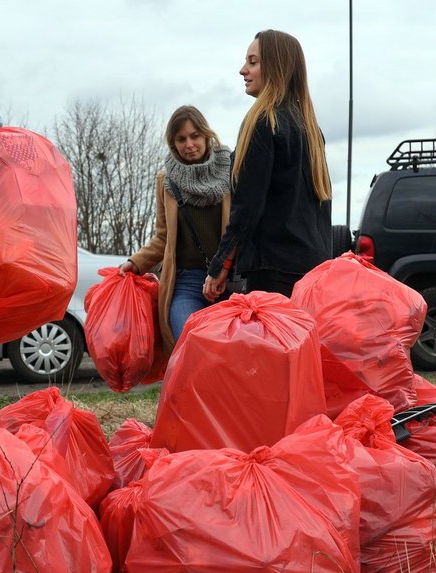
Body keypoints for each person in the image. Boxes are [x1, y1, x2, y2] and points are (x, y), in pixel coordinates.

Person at [204, 29, 332, 301]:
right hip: (314, 272)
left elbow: (246, 207)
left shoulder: (264, 122)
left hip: (273, 270)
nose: (242, 70)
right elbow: (322, 213)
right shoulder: (310, 129)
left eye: (253, 62)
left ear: (276, 66)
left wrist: (220, 266)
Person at [119, 105, 232, 355]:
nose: (189, 144)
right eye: (181, 139)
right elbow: (163, 236)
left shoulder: (231, 171)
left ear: (206, 135)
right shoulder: (166, 181)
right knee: (189, 346)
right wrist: (135, 263)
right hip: (186, 283)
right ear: (173, 143)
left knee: (228, 355)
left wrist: (224, 269)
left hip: (228, 281)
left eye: (195, 136)